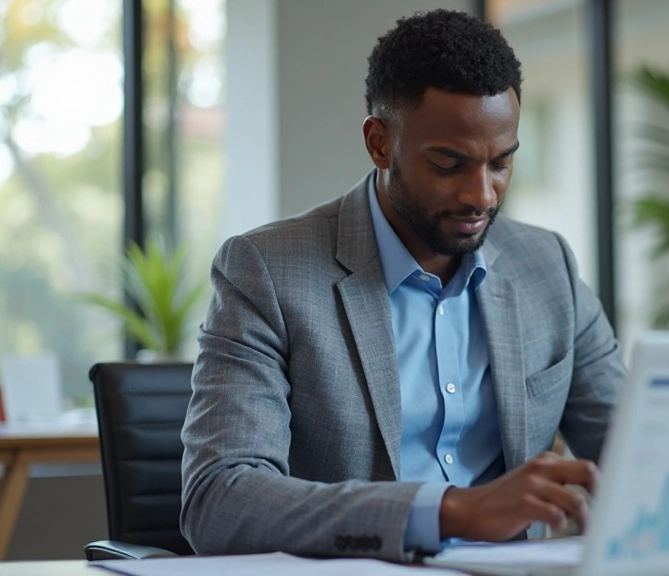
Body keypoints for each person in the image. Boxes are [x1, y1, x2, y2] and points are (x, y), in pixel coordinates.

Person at [180, 9, 625, 562]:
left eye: (501, 163)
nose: (481, 195)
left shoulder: (547, 266)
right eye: (449, 164)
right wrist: (450, 511)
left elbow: (640, 454)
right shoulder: (268, 271)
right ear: (379, 144)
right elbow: (219, 501)